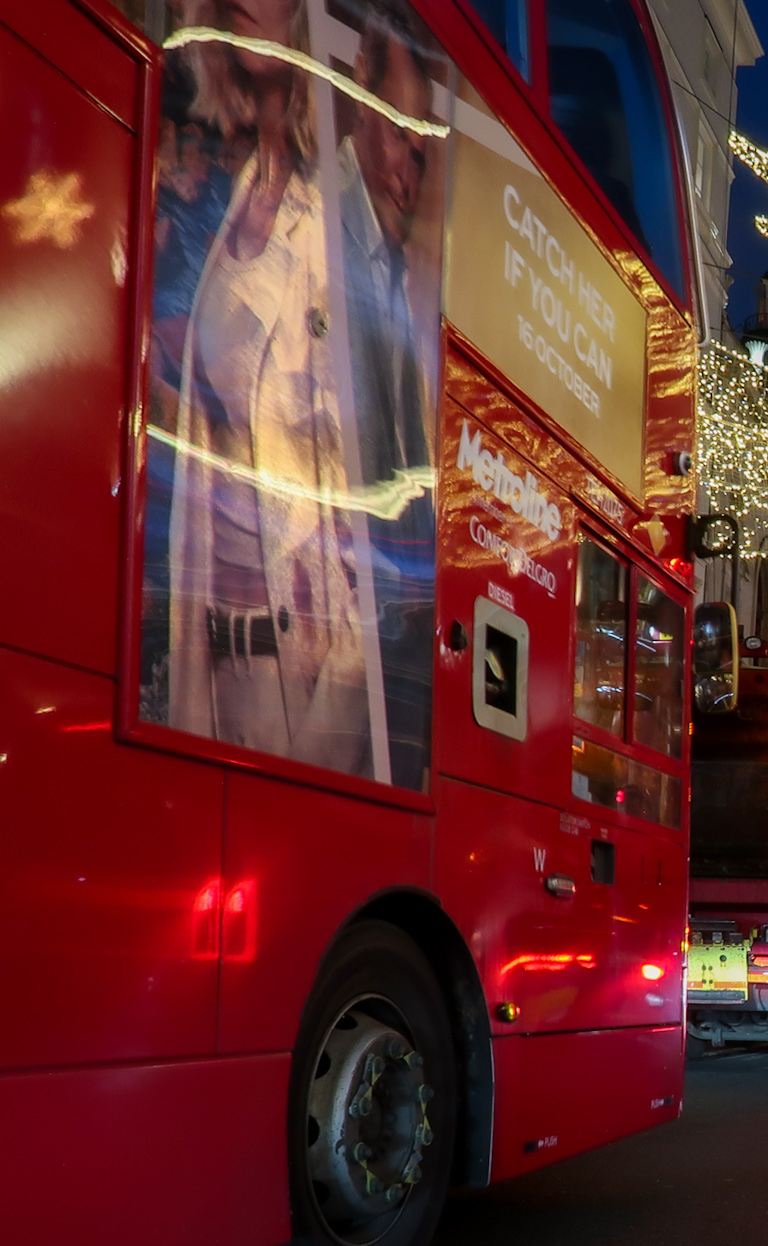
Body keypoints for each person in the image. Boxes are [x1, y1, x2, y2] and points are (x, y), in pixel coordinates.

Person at [164, 0, 372, 778]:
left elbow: (354, 469)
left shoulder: (327, 219)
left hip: (300, 671)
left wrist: (335, 712)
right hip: (207, 660)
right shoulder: (225, 190)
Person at [339, 0, 444, 790]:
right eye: (396, 134)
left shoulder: (389, 267)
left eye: (420, 153)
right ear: (358, 82)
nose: (405, 173)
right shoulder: (325, 226)